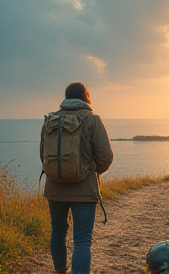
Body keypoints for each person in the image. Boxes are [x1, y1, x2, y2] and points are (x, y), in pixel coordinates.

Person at [40, 82, 114, 274]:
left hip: (55, 188)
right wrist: (93, 172)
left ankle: (60, 271)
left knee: (57, 232)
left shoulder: (50, 120)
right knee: (82, 240)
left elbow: (43, 155)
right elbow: (106, 157)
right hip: (84, 190)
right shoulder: (92, 120)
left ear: (66, 97)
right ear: (85, 96)